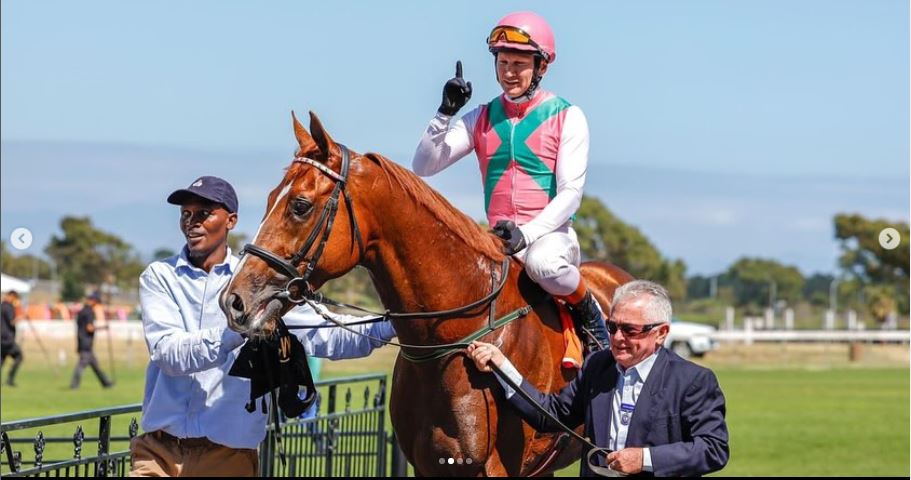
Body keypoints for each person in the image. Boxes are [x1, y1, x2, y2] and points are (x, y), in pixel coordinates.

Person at [130, 175, 397, 477]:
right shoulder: (159, 276)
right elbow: (168, 354)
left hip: (228, 456)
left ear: (230, 220)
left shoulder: (259, 280)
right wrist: (238, 330)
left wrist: (395, 324)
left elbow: (330, 334)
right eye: (186, 214)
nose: (192, 222)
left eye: (204, 214)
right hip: (157, 452)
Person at [412, 11, 608, 352]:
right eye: (503, 62)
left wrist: (527, 234)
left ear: (541, 66)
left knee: (542, 264)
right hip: (498, 238)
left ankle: (590, 313)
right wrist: (444, 113)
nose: (509, 72)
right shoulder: (482, 116)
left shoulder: (567, 116)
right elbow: (424, 165)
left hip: (550, 239)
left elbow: (571, 195)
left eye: (519, 64)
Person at [467, 280, 729, 476]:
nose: (616, 338)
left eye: (630, 330)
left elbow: (713, 449)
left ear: (661, 333)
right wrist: (502, 367)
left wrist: (645, 459)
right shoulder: (597, 366)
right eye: (612, 327)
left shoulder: (694, 380)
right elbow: (550, 415)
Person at [69, 291, 114, 389]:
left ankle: (106, 383)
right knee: (81, 365)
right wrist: (103, 328)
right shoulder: (89, 312)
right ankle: (74, 385)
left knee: (95, 365)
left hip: (81, 341)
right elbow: (89, 328)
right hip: (86, 343)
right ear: (94, 301)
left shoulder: (81, 312)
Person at [1, 290, 24, 387]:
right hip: (7, 339)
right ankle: (10, 379)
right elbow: (12, 321)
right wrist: (21, 316)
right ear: (12, 296)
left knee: (1, 360)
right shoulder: (8, 307)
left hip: (1, 338)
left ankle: (9, 380)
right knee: (19, 356)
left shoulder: (2, 306)